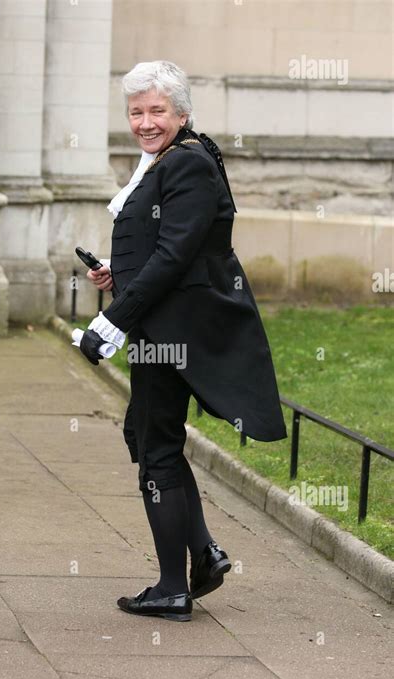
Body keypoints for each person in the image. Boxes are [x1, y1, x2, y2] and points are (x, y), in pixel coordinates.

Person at [80, 61, 287, 623]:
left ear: (182, 112)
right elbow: (167, 247)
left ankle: (174, 587)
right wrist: (116, 274)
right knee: (152, 439)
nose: (145, 122)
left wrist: (112, 320)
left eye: (156, 111)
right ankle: (204, 553)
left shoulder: (188, 164)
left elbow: (175, 257)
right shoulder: (170, 159)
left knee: (156, 449)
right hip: (164, 327)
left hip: (176, 332)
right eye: (136, 111)